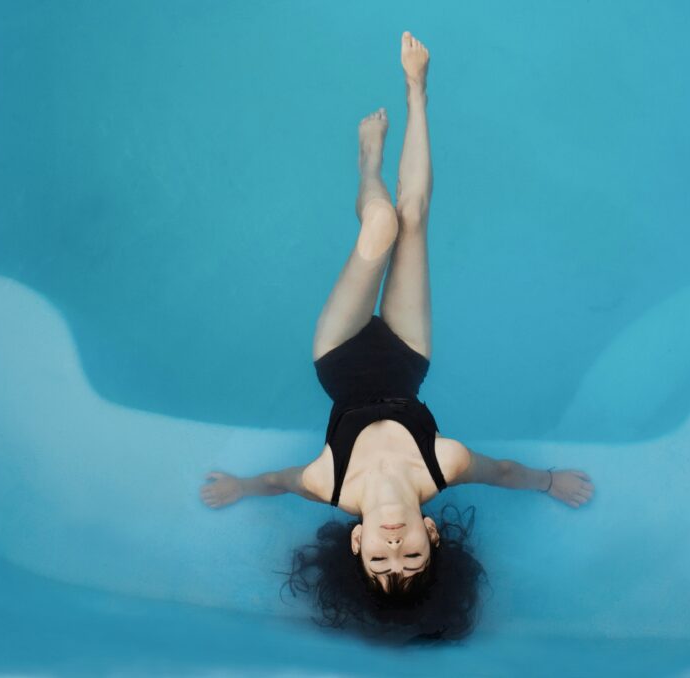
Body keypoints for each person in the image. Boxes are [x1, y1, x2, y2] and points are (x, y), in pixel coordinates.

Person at [201, 31, 595, 642]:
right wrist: (550, 483)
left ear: (355, 542)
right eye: (411, 558)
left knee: (381, 224)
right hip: (408, 359)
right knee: (413, 219)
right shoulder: (445, 465)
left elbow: (279, 480)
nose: (394, 549)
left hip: (338, 354)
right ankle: (417, 93)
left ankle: (366, 167)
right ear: (432, 535)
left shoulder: (329, 485)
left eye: (379, 560)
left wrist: (242, 488)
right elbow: (507, 472)